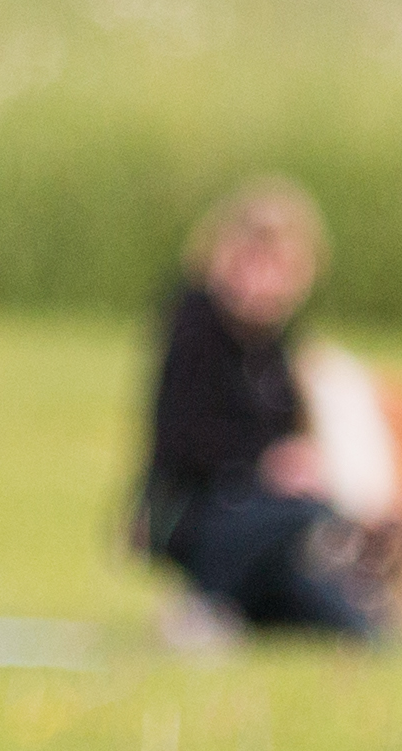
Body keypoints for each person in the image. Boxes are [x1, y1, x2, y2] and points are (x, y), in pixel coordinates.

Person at [131, 178, 376, 645]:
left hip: (267, 512)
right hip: (199, 505)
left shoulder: (279, 343)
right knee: (301, 513)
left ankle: (238, 603)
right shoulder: (193, 324)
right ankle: (205, 602)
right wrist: (265, 464)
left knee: (355, 626)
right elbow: (182, 438)